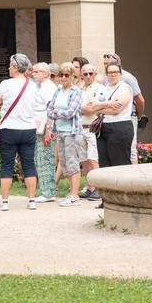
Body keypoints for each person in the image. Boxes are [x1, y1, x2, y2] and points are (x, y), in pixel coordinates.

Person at [0, 53, 43, 211]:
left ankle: (5, 201)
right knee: (28, 164)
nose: (8, 67)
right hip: (28, 128)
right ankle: (32, 199)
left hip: (9, 128)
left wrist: (4, 107)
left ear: (15, 67)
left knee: (7, 165)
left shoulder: (5, 84)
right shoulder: (33, 85)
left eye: (9, 65)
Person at [92, 61, 134, 208]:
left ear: (120, 73)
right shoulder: (103, 88)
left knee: (120, 163)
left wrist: (101, 106)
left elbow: (118, 109)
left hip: (120, 127)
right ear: (106, 74)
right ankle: (108, 199)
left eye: (116, 71)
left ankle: (125, 197)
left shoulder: (125, 87)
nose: (113, 74)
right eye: (110, 72)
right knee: (105, 164)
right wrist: (109, 104)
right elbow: (92, 107)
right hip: (103, 128)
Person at [46, 62, 85, 207]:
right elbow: (49, 110)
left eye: (66, 75)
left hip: (71, 133)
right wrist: (56, 112)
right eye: (60, 75)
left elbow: (70, 112)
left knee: (72, 163)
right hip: (59, 131)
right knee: (64, 163)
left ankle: (75, 196)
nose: (63, 78)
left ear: (72, 76)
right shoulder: (58, 90)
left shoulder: (76, 91)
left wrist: (57, 112)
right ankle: (71, 193)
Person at [102, 53, 145, 164]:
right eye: (105, 64)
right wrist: (105, 106)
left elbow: (140, 99)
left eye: (110, 63)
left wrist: (138, 116)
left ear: (118, 64)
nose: (107, 66)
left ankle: (135, 179)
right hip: (108, 118)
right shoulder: (105, 78)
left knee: (131, 150)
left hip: (128, 116)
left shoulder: (128, 78)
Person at [31, 62, 57, 203]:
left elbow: (51, 108)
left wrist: (49, 129)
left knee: (45, 158)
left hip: (45, 128)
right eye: (33, 72)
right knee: (39, 158)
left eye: (37, 72)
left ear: (46, 73)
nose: (34, 74)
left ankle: (48, 192)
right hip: (39, 126)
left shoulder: (48, 87)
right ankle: (45, 190)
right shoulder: (41, 86)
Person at [77, 63, 103, 201]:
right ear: (81, 75)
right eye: (85, 74)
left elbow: (94, 109)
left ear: (95, 73)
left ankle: (99, 188)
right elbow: (72, 106)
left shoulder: (99, 88)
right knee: (84, 159)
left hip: (93, 128)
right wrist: (82, 108)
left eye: (90, 73)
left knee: (93, 158)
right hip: (81, 127)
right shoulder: (79, 88)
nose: (87, 76)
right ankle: (90, 187)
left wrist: (79, 108)